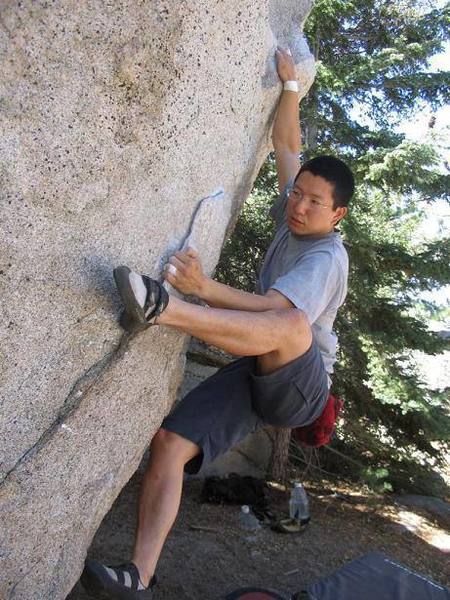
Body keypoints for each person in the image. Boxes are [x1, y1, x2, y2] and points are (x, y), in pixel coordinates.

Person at [81, 47, 355, 599]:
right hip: (262, 371)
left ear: (337, 215)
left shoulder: (326, 257)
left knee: (292, 325)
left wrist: (202, 291)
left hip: (301, 387)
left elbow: (283, 317)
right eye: (297, 194)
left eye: (313, 202)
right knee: (170, 442)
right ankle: (137, 575)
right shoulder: (295, 211)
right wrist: (291, 88)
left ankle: (163, 309)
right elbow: (286, 144)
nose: (298, 206)